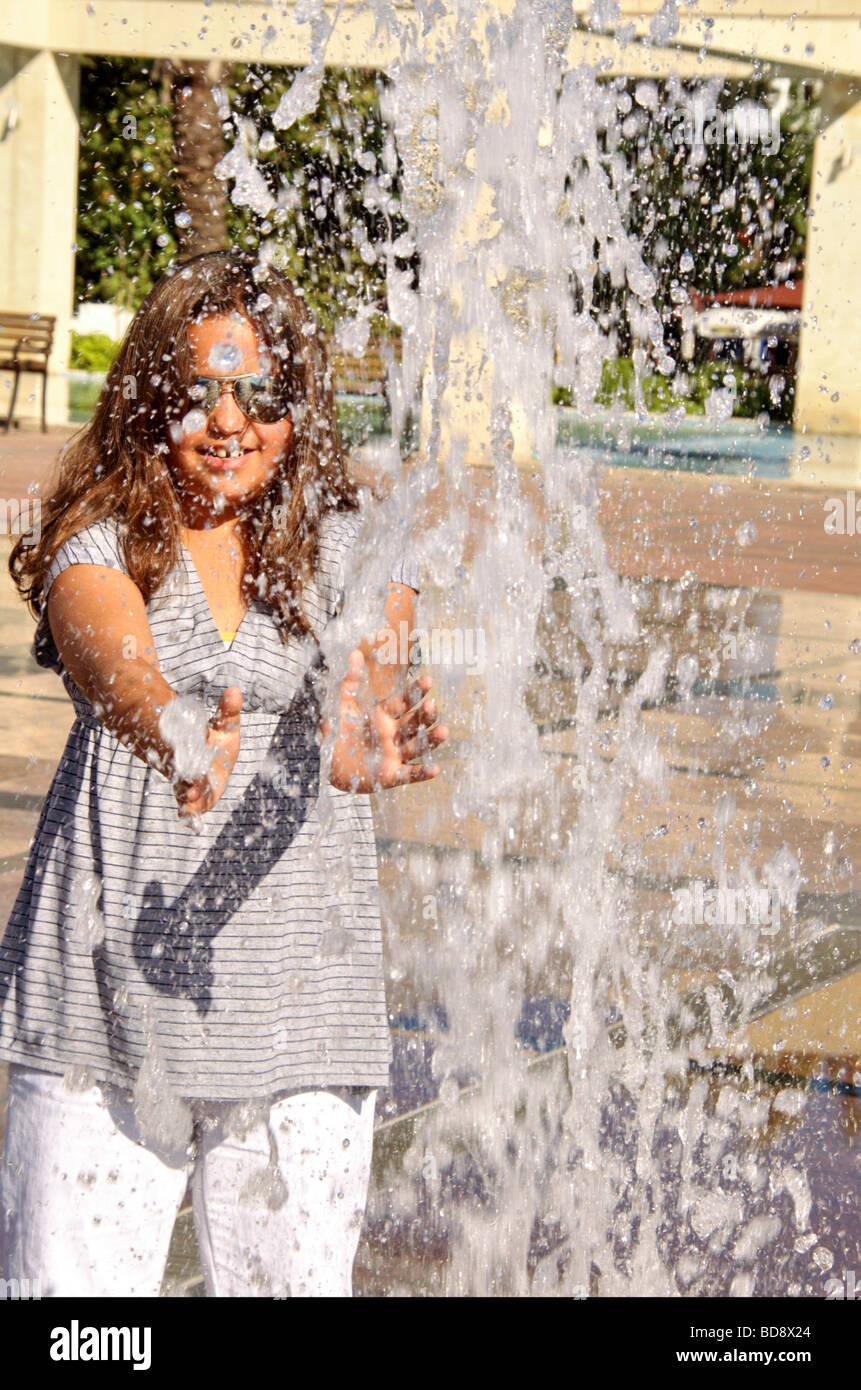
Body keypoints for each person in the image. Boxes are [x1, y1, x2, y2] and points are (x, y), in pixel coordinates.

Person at [0, 250, 448, 1297]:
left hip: (300, 1021)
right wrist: (175, 733)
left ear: (303, 407)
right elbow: (115, 659)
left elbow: (373, 664)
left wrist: (359, 730)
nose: (228, 418)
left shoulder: (351, 548)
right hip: (101, 1018)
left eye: (261, 392)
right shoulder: (100, 541)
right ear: (148, 396)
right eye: (196, 390)